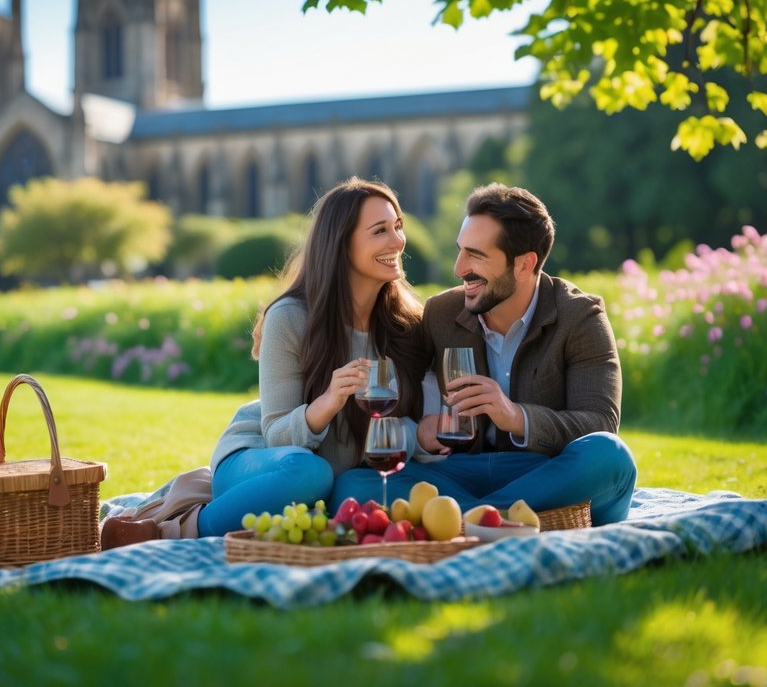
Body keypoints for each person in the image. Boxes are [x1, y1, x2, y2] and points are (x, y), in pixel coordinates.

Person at [101, 178, 429, 546]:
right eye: (380, 230)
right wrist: (329, 402)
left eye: (397, 226)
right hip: (262, 457)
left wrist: (423, 437)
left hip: (344, 475)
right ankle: (171, 530)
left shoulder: (406, 326)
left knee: (349, 492)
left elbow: (405, 427)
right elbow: (275, 432)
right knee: (310, 474)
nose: (398, 240)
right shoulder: (291, 318)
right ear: (341, 243)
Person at [330, 183, 637, 526]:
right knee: (353, 484)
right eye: (460, 250)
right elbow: (400, 400)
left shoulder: (580, 318)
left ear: (524, 264)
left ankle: (464, 519)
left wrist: (515, 416)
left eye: (476, 255)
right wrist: (421, 431)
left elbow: (600, 422)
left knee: (611, 458)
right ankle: (498, 520)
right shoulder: (441, 313)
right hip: (459, 474)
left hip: (544, 469)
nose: (459, 268)